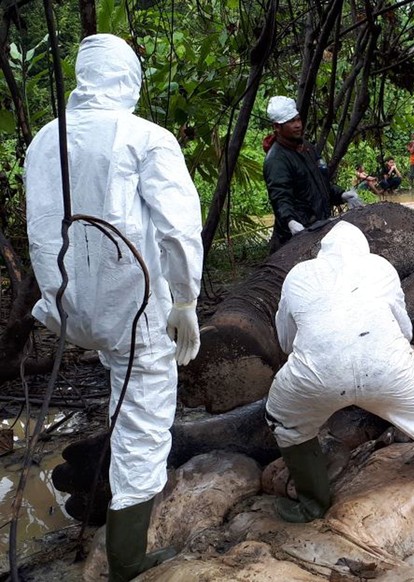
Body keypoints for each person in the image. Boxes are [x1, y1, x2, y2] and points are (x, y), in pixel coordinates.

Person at [24, 34, 203, 581]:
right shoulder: (145, 137)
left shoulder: (43, 141)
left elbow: (40, 230)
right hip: (136, 312)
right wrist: (187, 298)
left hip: (71, 312)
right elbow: (178, 229)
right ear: (129, 79)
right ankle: (128, 561)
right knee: (144, 428)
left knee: (119, 393)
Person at [265, 221, 414, 522]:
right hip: (388, 366)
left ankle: (311, 506)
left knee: (283, 418)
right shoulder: (379, 267)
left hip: (316, 373)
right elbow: (403, 328)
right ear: (363, 249)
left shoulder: (298, 275)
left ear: (321, 252)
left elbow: (286, 340)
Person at [263, 96, 362, 253]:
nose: (297, 125)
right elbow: (280, 197)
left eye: (298, 119)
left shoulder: (307, 148)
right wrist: (290, 221)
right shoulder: (276, 159)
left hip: (320, 226)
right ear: (277, 127)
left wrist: (342, 194)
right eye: (291, 122)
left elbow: (321, 185)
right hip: (296, 235)